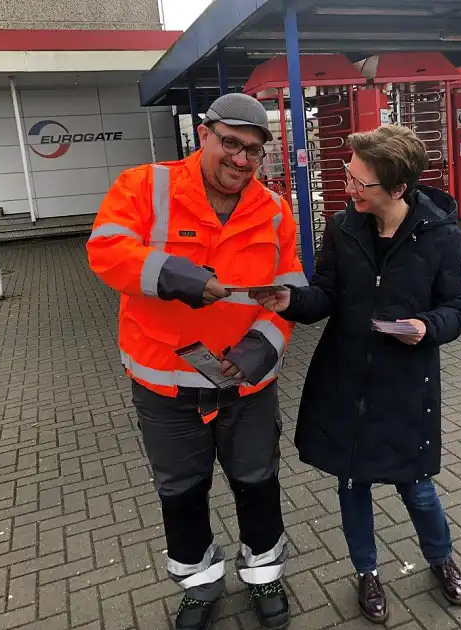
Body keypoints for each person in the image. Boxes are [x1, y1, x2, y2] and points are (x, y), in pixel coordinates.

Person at [87, 93, 306, 630]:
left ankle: (264, 573)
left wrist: (263, 344)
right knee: (181, 491)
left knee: (257, 482)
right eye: (231, 142)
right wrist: (174, 276)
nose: (241, 159)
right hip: (165, 386)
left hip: (245, 386)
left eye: (254, 150)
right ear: (203, 134)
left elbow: (292, 284)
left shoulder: (275, 209)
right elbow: (107, 250)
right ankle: (199, 583)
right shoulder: (144, 186)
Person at [253, 124, 461, 623]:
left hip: (405, 384)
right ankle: (366, 572)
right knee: (352, 484)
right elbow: (325, 292)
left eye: (359, 182)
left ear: (397, 188)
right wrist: (292, 300)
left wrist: (426, 325)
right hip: (345, 377)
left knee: (416, 486)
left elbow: (459, 308)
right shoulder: (343, 227)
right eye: (347, 177)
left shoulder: (440, 235)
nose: (347, 189)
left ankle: (441, 558)